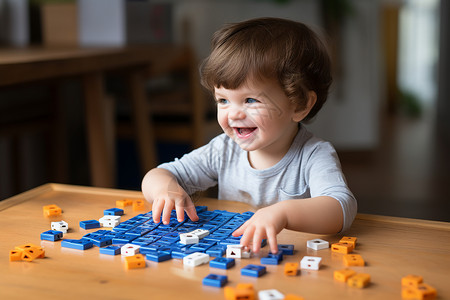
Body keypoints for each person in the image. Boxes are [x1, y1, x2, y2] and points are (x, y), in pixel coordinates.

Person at [141, 17, 357, 254]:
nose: (233, 114)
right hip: (233, 262)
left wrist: (282, 213)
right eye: (223, 100)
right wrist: (165, 190)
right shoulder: (223, 149)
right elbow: (159, 174)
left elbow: (341, 209)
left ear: (300, 105)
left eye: (250, 100)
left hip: (291, 263)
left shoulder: (314, 155)